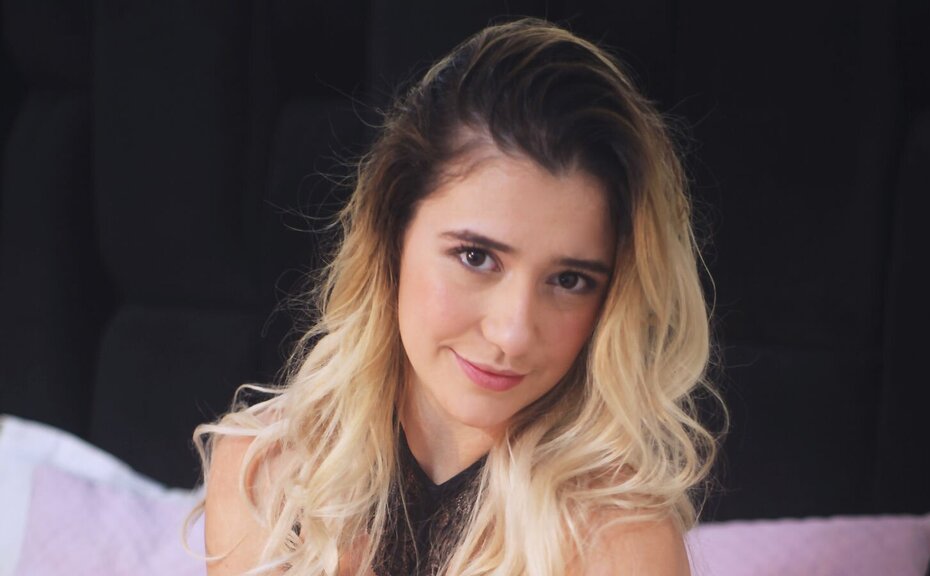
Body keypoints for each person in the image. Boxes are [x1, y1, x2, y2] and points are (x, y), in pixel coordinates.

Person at [195, 17, 721, 576]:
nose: (512, 332)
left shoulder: (621, 538)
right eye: (476, 256)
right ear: (393, 235)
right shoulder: (263, 472)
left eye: (569, 280)